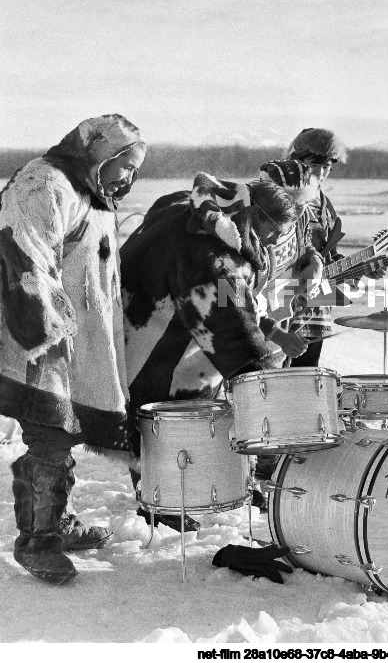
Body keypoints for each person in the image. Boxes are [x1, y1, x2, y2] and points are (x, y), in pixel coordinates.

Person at [120, 174, 322, 529]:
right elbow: (233, 323)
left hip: (166, 317)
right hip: (147, 326)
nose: (275, 241)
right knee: (156, 409)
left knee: (192, 403)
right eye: (274, 231)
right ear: (257, 215)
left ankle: (195, 485)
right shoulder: (214, 255)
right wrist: (263, 373)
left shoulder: (211, 213)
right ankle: (158, 499)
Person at [0, 114, 146, 583]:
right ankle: (37, 544)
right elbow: (25, 252)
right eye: (127, 165)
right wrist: (43, 327)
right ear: (99, 153)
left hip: (77, 339)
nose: (130, 177)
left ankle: (55, 523)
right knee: (50, 430)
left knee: (66, 426)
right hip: (35, 334)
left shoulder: (96, 198)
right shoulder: (44, 183)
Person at [281, 128, 347, 367]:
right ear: (296, 161)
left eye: (327, 166)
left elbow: (330, 253)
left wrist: (363, 267)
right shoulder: (281, 195)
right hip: (284, 301)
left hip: (318, 304)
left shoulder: (325, 203)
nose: (321, 172)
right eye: (314, 164)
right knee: (277, 375)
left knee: (307, 373)